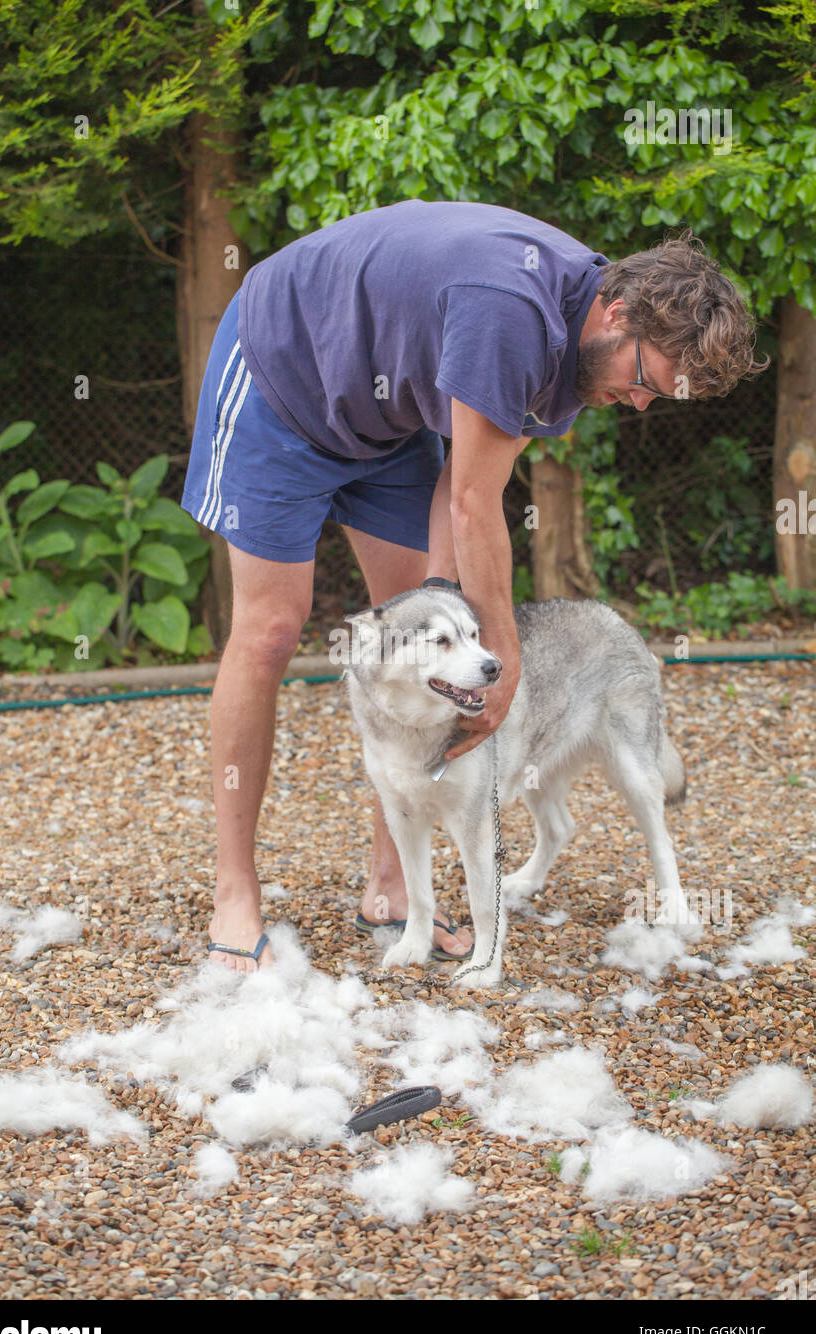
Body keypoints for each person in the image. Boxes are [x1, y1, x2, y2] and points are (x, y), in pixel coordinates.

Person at [180, 199, 764, 973]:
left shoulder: (580, 356)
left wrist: (447, 607)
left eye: (660, 396)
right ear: (618, 312)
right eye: (645, 379)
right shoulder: (511, 312)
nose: (640, 403)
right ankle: (234, 892)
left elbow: (466, 477)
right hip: (282, 378)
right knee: (271, 630)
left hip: (386, 424)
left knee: (421, 625)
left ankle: (393, 890)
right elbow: (472, 506)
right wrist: (505, 659)